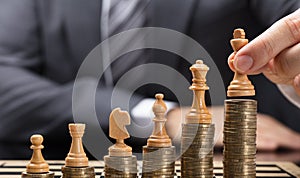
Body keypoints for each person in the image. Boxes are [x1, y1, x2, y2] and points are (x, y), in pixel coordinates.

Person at [0, 0, 299, 159]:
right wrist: (166, 118)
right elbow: (5, 84)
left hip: (240, 161)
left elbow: (292, 19)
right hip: (78, 162)